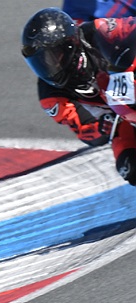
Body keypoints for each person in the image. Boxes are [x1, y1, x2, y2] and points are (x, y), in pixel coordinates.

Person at [21, 7, 136, 185]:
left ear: (70, 44)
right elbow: (87, 133)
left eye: (53, 57)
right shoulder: (51, 96)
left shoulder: (98, 31)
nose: (49, 67)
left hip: (132, 85)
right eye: (41, 62)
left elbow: (131, 29)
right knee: (129, 167)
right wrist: (102, 125)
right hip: (121, 120)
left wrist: (124, 67)